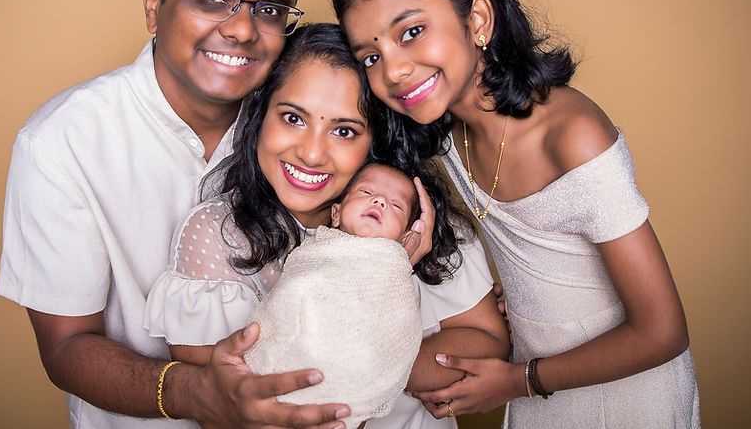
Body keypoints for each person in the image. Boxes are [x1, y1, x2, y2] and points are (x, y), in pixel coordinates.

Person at [0, 0, 352, 429]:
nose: (241, 28)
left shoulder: (310, 127)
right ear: (153, 1)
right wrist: (197, 393)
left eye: (270, 9)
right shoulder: (61, 142)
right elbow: (67, 345)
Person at [332, 0, 700, 427]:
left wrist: (519, 380)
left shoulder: (573, 136)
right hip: (540, 385)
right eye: (371, 57)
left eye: (412, 31)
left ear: (478, 20)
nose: (393, 70)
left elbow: (663, 332)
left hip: (621, 394)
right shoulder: (446, 133)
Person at [144, 23, 510, 429]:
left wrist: (383, 282)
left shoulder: (417, 220)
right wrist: (380, 343)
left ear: (375, 140)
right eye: (292, 118)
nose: (312, 152)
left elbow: (488, 345)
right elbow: (225, 411)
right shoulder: (218, 236)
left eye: (343, 130)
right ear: (260, 116)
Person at [245, 163, 426, 429]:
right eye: (366, 192)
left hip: (348, 375)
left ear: (404, 237)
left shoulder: (393, 276)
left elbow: (396, 330)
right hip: (286, 359)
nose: (380, 201)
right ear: (336, 213)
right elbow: (293, 293)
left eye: (396, 206)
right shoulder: (315, 253)